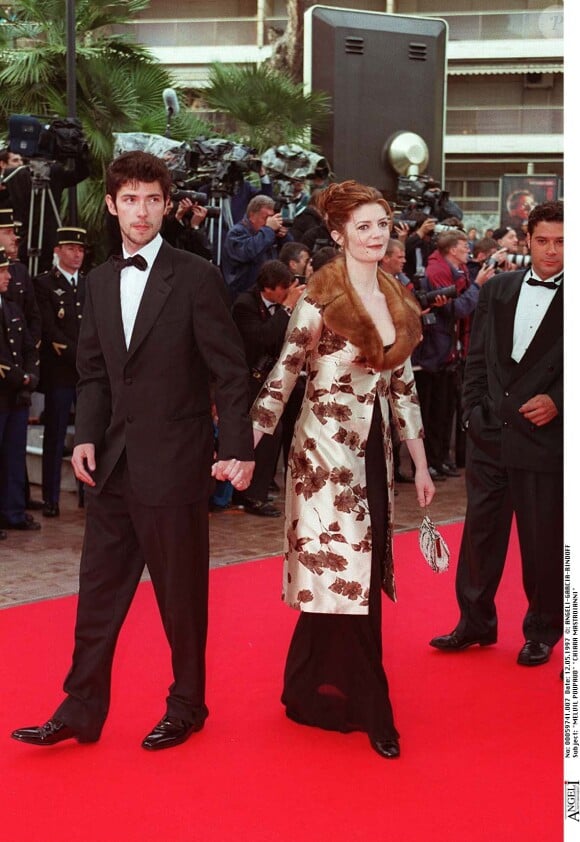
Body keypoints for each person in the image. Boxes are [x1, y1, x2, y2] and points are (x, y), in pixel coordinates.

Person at [11, 151, 255, 751]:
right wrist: (86, 435)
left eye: (152, 200)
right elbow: (92, 372)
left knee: (180, 596)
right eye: (130, 200)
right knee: (96, 594)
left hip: (175, 461)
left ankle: (188, 704)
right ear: (113, 205)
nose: (141, 211)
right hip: (112, 465)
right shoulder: (98, 279)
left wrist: (239, 448)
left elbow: (230, 371)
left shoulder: (195, 275)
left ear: (165, 205)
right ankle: (81, 707)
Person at [251, 180, 434, 759]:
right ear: (338, 235)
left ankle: (305, 684)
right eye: (364, 226)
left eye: (383, 225)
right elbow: (284, 373)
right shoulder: (317, 299)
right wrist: (243, 443)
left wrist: (422, 462)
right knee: (346, 565)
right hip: (322, 455)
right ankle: (373, 708)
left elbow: (402, 385)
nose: (376, 235)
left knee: (360, 570)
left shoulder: (397, 297)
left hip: (374, 450)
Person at [430, 201, 564, 666]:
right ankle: (474, 622)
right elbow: (478, 356)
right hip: (489, 434)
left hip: (544, 439)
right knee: (480, 536)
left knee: (542, 540)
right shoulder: (500, 288)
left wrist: (561, 404)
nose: (551, 251)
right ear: (527, 239)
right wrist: (470, 412)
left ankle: (543, 631)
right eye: (543, 240)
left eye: (562, 242)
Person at [232, 260, 306, 516]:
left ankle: (272, 484)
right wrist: (285, 309)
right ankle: (253, 495)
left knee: (291, 423)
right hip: (249, 381)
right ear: (269, 288)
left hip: (273, 378)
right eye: (283, 288)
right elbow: (262, 338)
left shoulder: (281, 306)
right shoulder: (244, 305)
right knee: (267, 432)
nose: (288, 292)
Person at [33, 227, 88, 517]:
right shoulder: (44, 283)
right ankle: (51, 498)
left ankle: (86, 495)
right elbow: (49, 328)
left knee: (88, 433)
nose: (77, 254)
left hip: (87, 374)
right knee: (55, 436)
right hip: (61, 372)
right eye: (70, 249)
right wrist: (80, 356)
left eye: (80, 250)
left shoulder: (89, 284)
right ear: (57, 251)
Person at [0, 246, 41, 533]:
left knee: (14, 456)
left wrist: (32, 375)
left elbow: (28, 345)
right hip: (3, 390)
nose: (8, 276)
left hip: (16, 394)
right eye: (2, 271)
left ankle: (12, 512)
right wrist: (20, 377)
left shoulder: (12, 307)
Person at [221, 194, 293, 300]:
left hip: (266, 294)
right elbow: (247, 252)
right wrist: (268, 230)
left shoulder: (267, 234)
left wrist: (283, 237)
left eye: (271, 218)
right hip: (241, 295)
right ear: (252, 215)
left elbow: (290, 253)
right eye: (266, 218)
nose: (269, 222)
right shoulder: (236, 232)